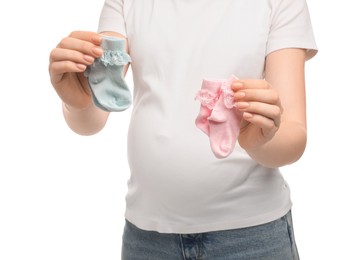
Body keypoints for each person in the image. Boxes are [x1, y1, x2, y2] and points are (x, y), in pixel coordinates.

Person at [49, 0, 317, 259]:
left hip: (251, 237)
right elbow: (95, 115)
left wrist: (258, 140)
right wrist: (77, 102)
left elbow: (293, 135)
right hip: (148, 240)